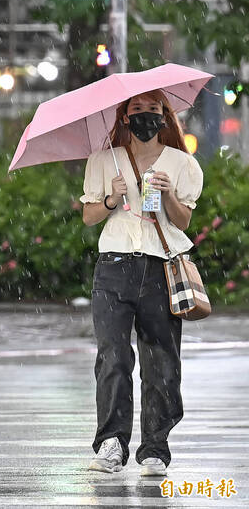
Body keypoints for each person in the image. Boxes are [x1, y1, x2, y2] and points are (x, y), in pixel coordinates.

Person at [80, 90, 203, 477]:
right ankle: (112, 443)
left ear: (165, 116)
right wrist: (112, 199)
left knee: (161, 361)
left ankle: (155, 447)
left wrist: (167, 196)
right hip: (114, 266)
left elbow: (183, 222)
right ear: (124, 116)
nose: (146, 116)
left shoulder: (182, 164)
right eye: (137, 109)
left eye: (153, 109)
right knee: (113, 356)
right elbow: (88, 215)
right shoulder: (104, 160)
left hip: (159, 269)